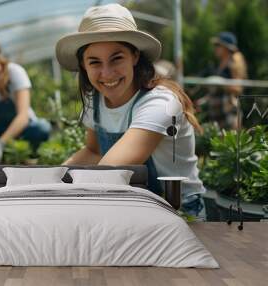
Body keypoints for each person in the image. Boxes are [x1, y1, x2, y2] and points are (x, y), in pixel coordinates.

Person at [55, 4, 205, 217]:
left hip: (177, 209)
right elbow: (94, 151)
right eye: (94, 62)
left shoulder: (159, 103)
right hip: (133, 204)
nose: (106, 73)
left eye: (117, 58)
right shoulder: (95, 101)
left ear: (134, 56)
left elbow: (107, 172)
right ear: (83, 66)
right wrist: (54, 177)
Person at [0, 32, 51, 166]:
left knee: (42, 128)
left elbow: (23, 116)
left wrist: (0, 144)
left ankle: (16, 152)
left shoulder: (15, 72)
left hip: (23, 128)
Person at [199, 31, 248, 129]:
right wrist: (204, 100)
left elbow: (238, 89)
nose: (215, 48)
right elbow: (218, 91)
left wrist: (220, 82)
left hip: (229, 115)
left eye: (218, 45)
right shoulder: (220, 65)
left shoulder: (233, 64)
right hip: (217, 115)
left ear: (227, 47)